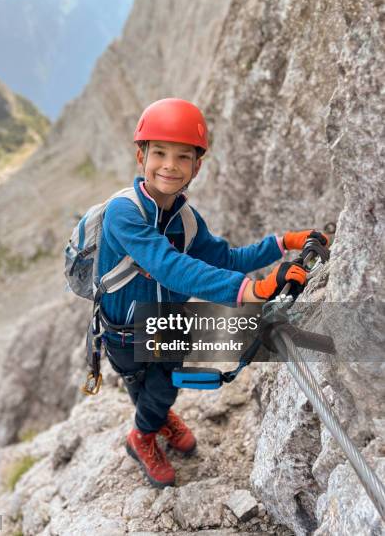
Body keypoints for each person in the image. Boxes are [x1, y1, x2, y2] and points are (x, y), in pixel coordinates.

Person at [98, 98, 327, 488]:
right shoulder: (124, 213)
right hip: (123, 328)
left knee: (162, 382)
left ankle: (152, 419)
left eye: (182, 157)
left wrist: (283, 242)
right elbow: (168, 265)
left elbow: (226, 256)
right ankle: (142, 436)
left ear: (196, 166)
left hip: (164, 320)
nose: (170, 165)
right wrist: (252, 290)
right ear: (141, 157)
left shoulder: (185, 219)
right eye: (160, 153)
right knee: (145, 384)